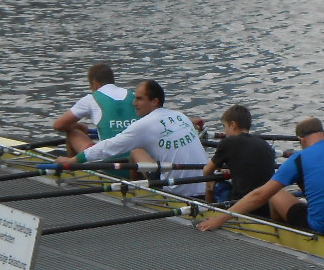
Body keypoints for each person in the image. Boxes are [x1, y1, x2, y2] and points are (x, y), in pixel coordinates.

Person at [197, 116, 324, 236]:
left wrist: (220, 219)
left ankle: (281, 235)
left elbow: (259, 196)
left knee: (275, 193)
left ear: (301, 139)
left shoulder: (299, 159)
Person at [56, 80, 211, 197]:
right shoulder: (180, 116)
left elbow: (108, 147)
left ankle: (135, 194)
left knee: (135, 151)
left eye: (139, 99)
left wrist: (72, 161)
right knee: (136, 150)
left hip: (179, 191)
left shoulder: (143, 125)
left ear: (154, 101)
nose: (134, 103)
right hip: (206, 185)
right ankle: (138, 186)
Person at [201, 105, 277, 215]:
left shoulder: (228, 142)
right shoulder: (265, 144)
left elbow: (207, 171)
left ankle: (209, 212)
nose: (225, 132)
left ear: (233, 125)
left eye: (225, 126)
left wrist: (214, 175)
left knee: (212, 181)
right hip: (266, 205)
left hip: (241, 204)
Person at [52, 64, 136, 158]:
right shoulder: (135, 96)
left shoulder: (91, 99)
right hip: (138, 159)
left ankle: (71, 163)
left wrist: (78, 126)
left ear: (95, 83)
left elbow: (58, 125)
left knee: (72, 131)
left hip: (108, 163)